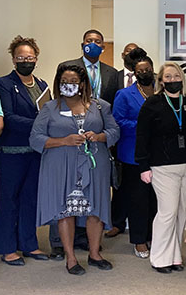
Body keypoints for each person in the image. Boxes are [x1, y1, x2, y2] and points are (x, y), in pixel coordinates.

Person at [29, 64, 120, 275]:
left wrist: (98, 137)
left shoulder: (100, 106)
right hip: (62, 167)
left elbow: (114, 131)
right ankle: (70, 258)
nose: (68, 85)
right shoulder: (49, 108)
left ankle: (95, 254)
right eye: (64, 82)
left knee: (95, 210)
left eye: (72, 82)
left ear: (82, 84)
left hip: (94, 165)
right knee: (66, 211)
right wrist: (64, 141)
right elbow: (36, 139)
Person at [50, 29, 119, 259]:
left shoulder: (111, 73)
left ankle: (89, 245)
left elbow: (113, 118)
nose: (93, 44)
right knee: (65, 198)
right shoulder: (68, 66)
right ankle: (60, 244)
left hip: (95, 135)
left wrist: (100, 135)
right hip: (66, 146)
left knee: (91, 198)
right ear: (82, 44)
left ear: (103, 46)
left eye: (97, 41)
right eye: (89, 41)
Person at [135, 61, 186, 274]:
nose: (173, 80)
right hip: (162, 166)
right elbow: (142, 136)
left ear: (182, 78)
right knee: (167, 212)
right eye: (168, 77)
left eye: (176, 76)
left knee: (181, 211)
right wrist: (143, 166)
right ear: (161, 81)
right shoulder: (152, 103)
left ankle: (175, 254)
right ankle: (160, 258)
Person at [0, 35, 49, 265]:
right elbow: (9, 117)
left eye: (29, 57)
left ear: (36, 58)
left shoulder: (43, 85)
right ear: (13, 59)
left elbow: (48, 112)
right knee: (9, 199)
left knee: (30, 199)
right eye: (20, 57)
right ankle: (7, 248)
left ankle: (29, 244)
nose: (25, 60)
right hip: (10, 152)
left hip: (35, 152)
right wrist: (40, 125)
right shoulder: (3, 84)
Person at [112, 48, 157, 258]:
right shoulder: (124, 95)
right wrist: (144, 125)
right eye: (141, 70)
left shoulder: (162, 91)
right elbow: (118, 122)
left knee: (156, 200)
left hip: (160, 156)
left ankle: (154, 237)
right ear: (134, 73)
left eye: (148, 69)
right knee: (138, 200)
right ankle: (139, 240)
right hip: (133, 155)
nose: (145, 72)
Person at [106, 42, 139, 238]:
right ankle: (117, 222)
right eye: (128, 53)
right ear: (122, 55)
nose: (131, 55)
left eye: (134, 52)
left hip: (139, 141)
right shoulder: (113, 77)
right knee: (119, 183)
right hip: (119, 139)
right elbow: (108, 105)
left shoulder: (149, 78)